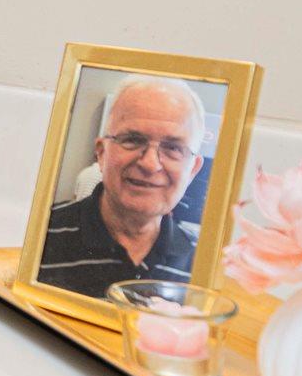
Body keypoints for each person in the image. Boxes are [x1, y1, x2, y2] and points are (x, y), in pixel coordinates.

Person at [34, 75, 214, 298]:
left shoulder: (207, 266)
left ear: (193, 170)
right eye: (133, 140)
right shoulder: (40, 233)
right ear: (101, 153)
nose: (150, 164)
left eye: (173, 148)